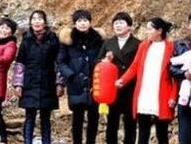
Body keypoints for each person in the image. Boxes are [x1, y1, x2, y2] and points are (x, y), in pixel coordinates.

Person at [116, 18, 178, 144]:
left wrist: (173, 96)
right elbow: (135, 66)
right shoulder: (144, 45)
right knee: (143, 129)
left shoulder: (171, 47)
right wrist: (123, 80)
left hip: (162, 92)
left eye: (150, 29)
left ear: (159, 31)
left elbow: (175, 75)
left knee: (162, 131)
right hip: (145, 91)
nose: (147, 32)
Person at [13, 10, 61, 144]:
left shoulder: (52, 39)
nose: (36, 21)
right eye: (34, 19)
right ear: (30, 22)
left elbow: (59, 62)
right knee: (30, 117)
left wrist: (59, 83)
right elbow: (20, 63)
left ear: (45, 22)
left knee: (46, 118)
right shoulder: (26, 39)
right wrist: (18, 84)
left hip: (48, 82)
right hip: (30, 82)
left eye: (40, 19)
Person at [58, 10, 104, 144]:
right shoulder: (68, 40)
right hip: (75, 83)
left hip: (94, 82)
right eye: (79, 21)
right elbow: (61, 61)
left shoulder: (98, 40)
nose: (82, 24)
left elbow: (102, 58)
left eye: (85, 20)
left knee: (93, 117)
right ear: (74, 23)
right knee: (77, 118)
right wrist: (70, 75)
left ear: (90, 22)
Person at [98, 12, 141, 144]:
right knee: (112, 122)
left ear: (129, 26)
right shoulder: (108, 43)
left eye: (121, 23)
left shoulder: (138, 43)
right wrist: (106, 60)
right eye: (116, 23)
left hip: (131, 88)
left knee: (130, 122)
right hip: (113, 88)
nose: (118, 26)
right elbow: (98, 62)